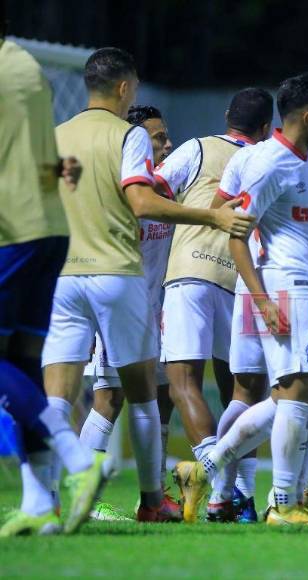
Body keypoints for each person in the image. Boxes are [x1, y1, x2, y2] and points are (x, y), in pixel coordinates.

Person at [40, 47, 253, 523]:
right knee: (130, 396)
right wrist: (211, 216)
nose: (164, 143)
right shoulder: (128, 138)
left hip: (66, 278)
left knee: (59, 394)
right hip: (116, 279)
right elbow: (139, 202)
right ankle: (150, 501)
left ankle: (51, 496)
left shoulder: (55, 136)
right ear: (123, 88)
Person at [177, 72, 308, 526]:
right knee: (294, 398)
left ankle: (204, 470)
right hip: (283, 288)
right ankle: (283, 504)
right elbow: (236, 233)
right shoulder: (273, 164)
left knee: (291, 398)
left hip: (305, 284)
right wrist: (264, 300)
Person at [0, 21, 113, 537]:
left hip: (11, 229)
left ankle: (78, 458)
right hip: (50, 229)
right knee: (20, 363)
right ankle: (39, 501)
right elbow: (51, 162)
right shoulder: (25, 65)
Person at [151, 88, 273, 523]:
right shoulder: (266, 159)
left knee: (183, 381)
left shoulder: (198, 148)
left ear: (227, 116)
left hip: (188, 270)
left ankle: (207, 474)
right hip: (240, 278)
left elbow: (152, 190)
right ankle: (240, 498)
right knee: (240, 392)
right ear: (265, 128)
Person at [80, 104, 179, 522]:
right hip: (118, 308)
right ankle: (85, 494)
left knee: (164, 398)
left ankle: (151, 498)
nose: (167, 143)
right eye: (158, 137)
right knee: (109, 398)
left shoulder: (169, 189)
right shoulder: (120, 193)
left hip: (158, 314)